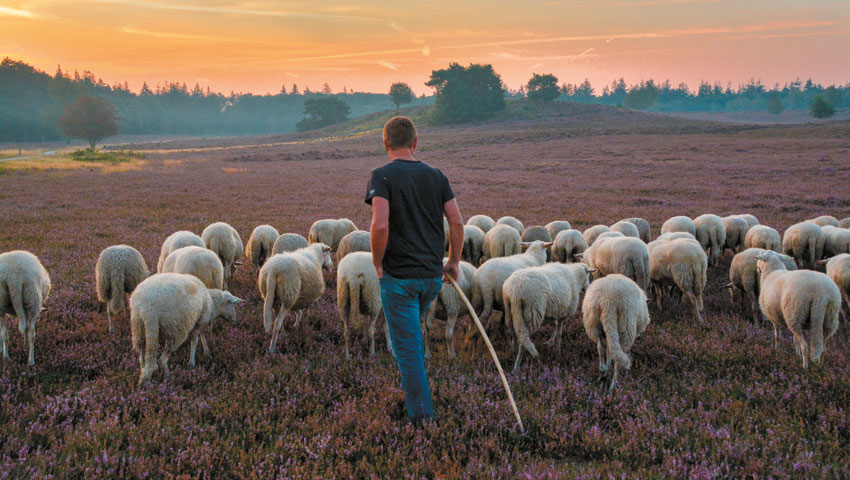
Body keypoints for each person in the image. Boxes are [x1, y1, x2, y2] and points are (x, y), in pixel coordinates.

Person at [364, 116, 464, 425]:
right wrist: (453, 261)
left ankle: (422, 419)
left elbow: (380, 223)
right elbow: (457, 222)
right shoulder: (436, 176)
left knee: (407, 350)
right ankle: (416, 395)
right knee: (411, 338)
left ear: (385, 144)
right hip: (431, 278)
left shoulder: (381, 176)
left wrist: (378, 262)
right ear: (415, 142)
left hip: (399, 279)